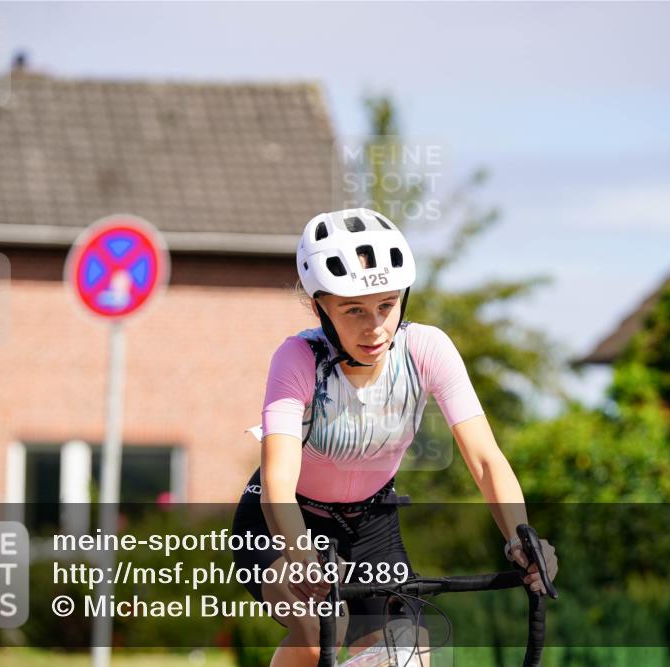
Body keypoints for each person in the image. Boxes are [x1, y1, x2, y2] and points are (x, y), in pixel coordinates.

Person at [231, 208, 557, 666]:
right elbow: (277, 485)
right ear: (319, 307)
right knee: (319, 629)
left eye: (387, 305)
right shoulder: (297, 359)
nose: (376, 327)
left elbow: (485, 460)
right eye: (354, 310)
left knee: (405, 651)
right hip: (284, 520)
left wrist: (521, 538)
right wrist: (301, 555)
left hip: (371, 523)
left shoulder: (427, 349)